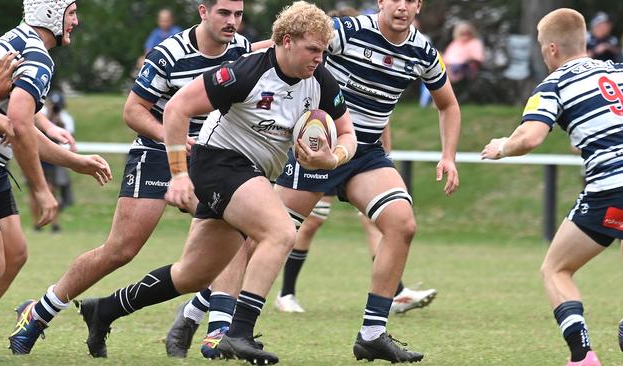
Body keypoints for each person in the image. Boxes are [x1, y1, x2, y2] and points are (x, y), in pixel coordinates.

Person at [75, 2, 356, 364]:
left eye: (322, 50)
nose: (319, 58)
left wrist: (332, 158)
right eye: (312, 49)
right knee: (281, 231)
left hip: (250, 174)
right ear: (286, 42)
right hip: (218, 163)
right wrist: (178, 174)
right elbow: (177, 107)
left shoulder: (319, 81)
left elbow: (347, 131)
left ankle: (105, 310)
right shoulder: (247, 72)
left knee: (193, 274)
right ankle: (237, 333)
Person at [206, 0, 460, 363]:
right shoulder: (348, 31)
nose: (402, 6)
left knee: (402, 224)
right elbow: (281, 46)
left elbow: (448, 104)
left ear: (419, 5)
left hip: (365, 153)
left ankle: (372, 334)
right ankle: (201, 313)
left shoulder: (423, 52)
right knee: (262, 238)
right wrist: (237, 61)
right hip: (316, 148)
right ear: (380, 2)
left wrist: (448, 155)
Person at [7, 0, 261, 356]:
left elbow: (270, 51)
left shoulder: (240, 49)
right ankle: (39, 312)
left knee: (237, 228)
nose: (232, 22)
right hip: (158, 151)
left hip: (213, 156)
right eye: (224, 13)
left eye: (238, 15)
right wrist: (171, 139)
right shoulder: (169, 52)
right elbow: (133, 111)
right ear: (203, 11)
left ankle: (218, 331)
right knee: (121, 250)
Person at [480, 8, 623, 366]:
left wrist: (502, 147)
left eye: (543, 48)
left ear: (553, 49)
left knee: (556, 269)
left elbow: (530, 137)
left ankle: (582, 355)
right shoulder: (616, 72)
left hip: (611, 189)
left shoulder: (554, 84)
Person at [0, 0, 112, 360]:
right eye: (71, 13)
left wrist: (73, 161)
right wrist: (41, 189)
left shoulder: (19, 41)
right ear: (51, 14)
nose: (76, 22)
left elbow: (20, 126)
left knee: (14, 253)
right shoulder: (37, 55)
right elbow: (19, 125)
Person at [275, 126, 437, 315]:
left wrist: (385, 154)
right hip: (328, 150)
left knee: (377, 221)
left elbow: (383, 119)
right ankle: (286, 294)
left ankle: (396, 293)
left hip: (362, 157)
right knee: (312, 221)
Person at [27, 91, 76, 232]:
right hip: (36, 156)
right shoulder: (41, 114)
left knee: (52, 190)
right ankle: (36, 223)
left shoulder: (66, 119)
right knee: (33, 191)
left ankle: (54, 223)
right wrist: (48, 121)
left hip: (53, 159)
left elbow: (69, 139)